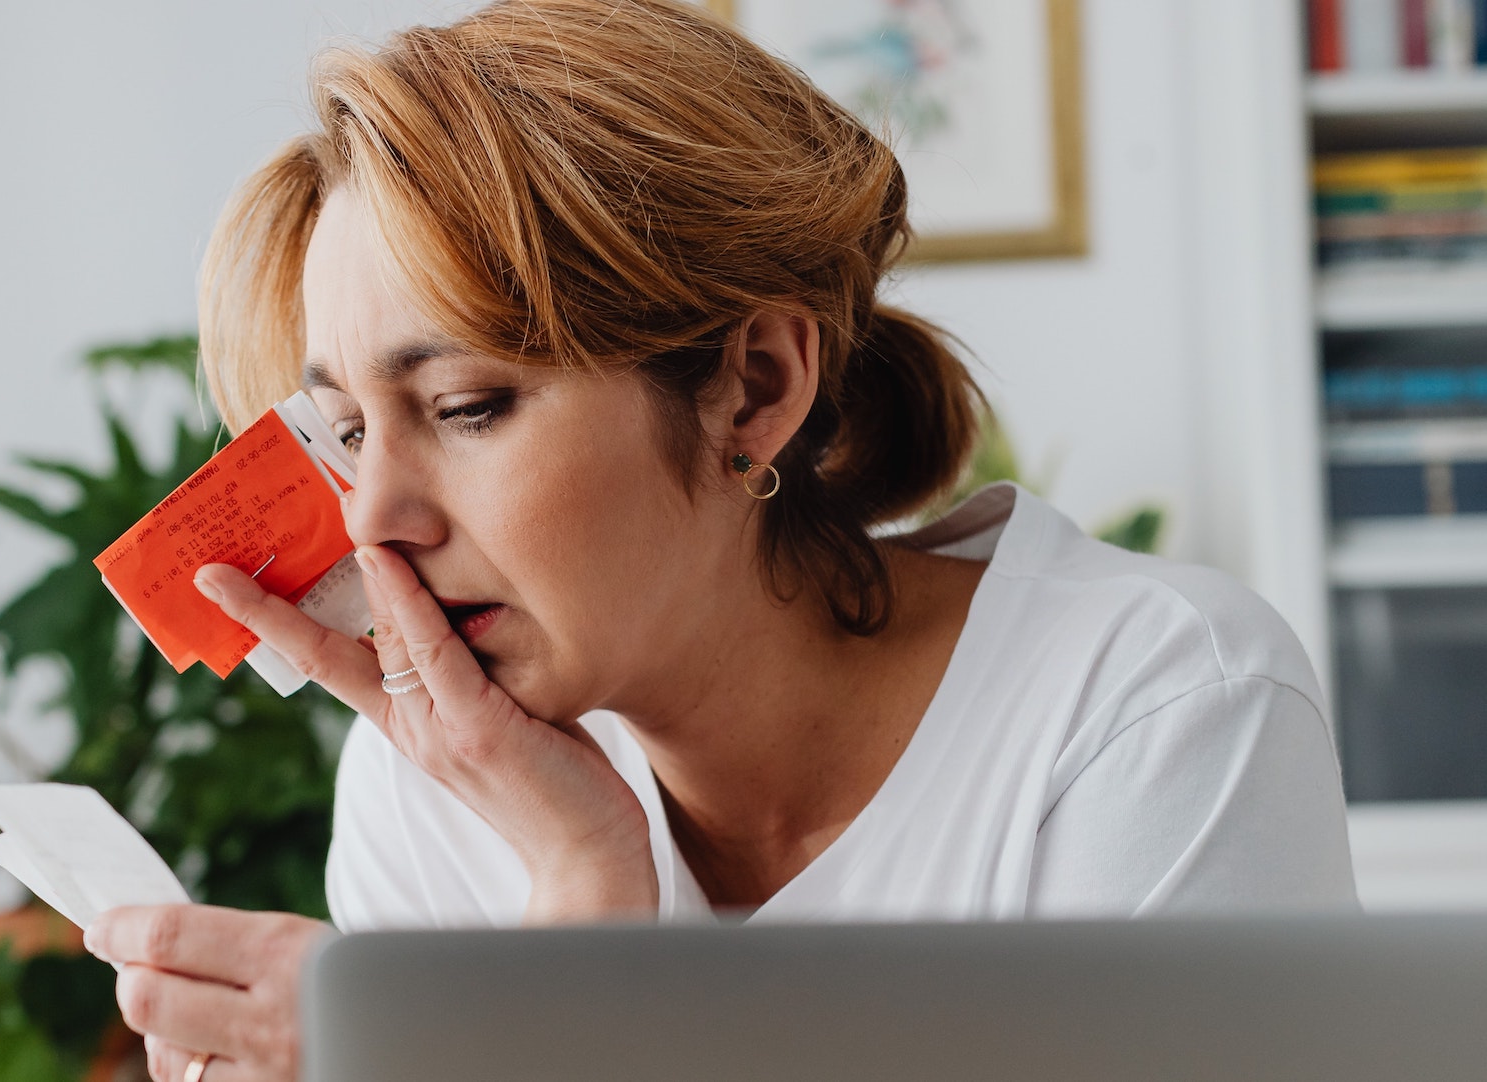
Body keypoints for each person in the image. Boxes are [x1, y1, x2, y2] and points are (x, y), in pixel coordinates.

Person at [77, 0, 1360, 1077]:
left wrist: (527, 1014)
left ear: (752, 386)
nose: (374, 518)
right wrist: (581, 870)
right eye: (348, 431)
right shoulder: (432, 794)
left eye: (465, 406)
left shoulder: (1154, 708)